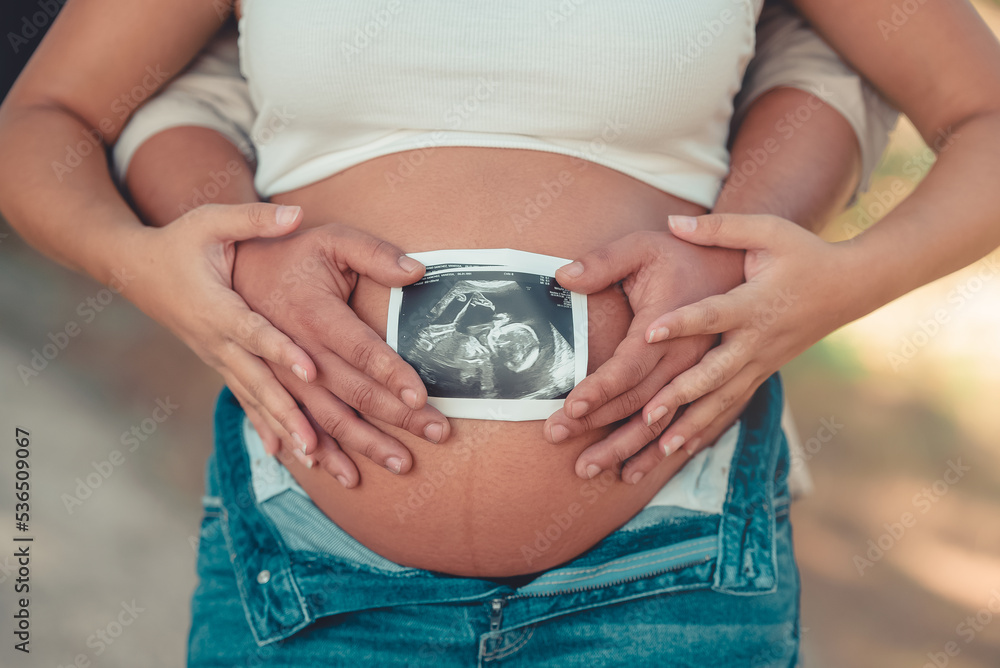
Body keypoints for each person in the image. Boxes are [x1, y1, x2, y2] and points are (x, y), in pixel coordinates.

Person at [2, 1, 998, 665]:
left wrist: (837, 284)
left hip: (673, 558)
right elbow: (44, 117)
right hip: (310, 568)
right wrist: (142, 261)